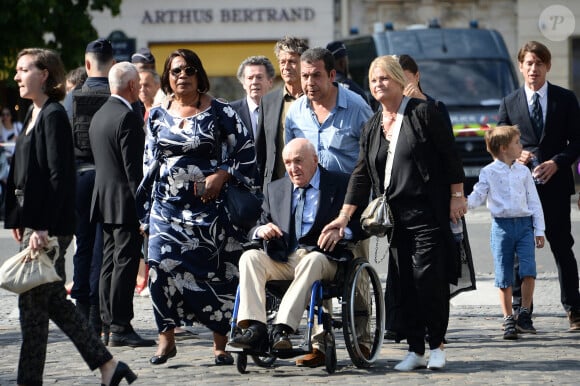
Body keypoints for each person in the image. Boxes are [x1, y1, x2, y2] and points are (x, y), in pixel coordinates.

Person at [322, 56, 465, 371]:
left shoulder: (423, 113)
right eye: (373, 79)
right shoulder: (372, 124)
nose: (377, 84)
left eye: (384, 78)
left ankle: (437, 344)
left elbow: (450, 156)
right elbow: (360, 175)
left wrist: (457, 195)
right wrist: (344, 216)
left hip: (428, 213)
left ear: (401, 80)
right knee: (406, 285)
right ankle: (415, 350)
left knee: (428, 278)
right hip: (395, 219)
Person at [4, 47, 137, 386]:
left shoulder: (52, 115)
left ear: (44, 73)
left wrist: (41, 226)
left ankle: (30, 380)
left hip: (47, 228)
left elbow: (57, 177)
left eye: (23, 70)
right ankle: (108, 366)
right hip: (35, 224)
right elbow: (24, 173)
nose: (17, 76)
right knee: (52, 305)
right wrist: (20, 218)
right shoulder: (33, 114)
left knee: (33, 311)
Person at [136, 48, 257, 366]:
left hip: (210, 210)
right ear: (167, 77)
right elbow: (150, 163)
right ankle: (166, 338)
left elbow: (246, 149)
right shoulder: (158, 116)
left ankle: (220, 343)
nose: (182, 76)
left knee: (215, 273)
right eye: (175, 71)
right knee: (159, 268)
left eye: (189, 70)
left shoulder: (221, 111)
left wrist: (224, 174)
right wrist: (145, 211)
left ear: (199, 75)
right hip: (167, 208)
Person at [230, 138, 365, 367]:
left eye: (298, 161)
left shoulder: (341, 184)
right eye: (288, 163)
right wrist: (262, 229)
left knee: (311, 260)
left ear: (315, 160)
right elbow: (258, 223)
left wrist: (343, 232)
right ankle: (255, 327)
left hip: (324, 257)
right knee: (249, 257)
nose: (293, 168)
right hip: (284, 257)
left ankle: (282, 328)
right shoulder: (276, 189)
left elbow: (362, 223)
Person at [498, 41, 580, 331]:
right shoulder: (510, 102)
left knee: (562, 248)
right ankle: (523, 313)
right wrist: (514, 153)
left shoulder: (565, 99)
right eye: (529, 63)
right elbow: (497, 143)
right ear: (521, 66)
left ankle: (574, 310)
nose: (534, 69)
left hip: (556, 186)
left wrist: (558, 162)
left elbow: (577, 141)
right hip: (520, 189)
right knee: (521, 253)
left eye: (539, 63)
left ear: (548, 66)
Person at [88, 61, 153, 348]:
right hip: (125, 202)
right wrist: (143, 211)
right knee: (125, 264)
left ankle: (106, 323)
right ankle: (120, 326)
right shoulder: (127, 118)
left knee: (108, 263)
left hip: (104, 200)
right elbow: (133, 171)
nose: (140, 88)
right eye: (138, 84)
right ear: (131, 86)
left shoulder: (100, 114)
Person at [467, 125, 545, 339]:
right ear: (503, 148)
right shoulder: (488, 172)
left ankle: (525, 314)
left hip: (524, 226)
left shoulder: (524, 172)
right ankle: (508, 317)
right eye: (517, 143)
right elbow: (477, 195)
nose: (521, 146)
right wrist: (460, 204)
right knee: (504, 274)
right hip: (501, 227)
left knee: (528, 270)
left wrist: (539, 229)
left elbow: (534, 201)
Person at [68, 38, 115, 342]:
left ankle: (83, 315)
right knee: (104, 249)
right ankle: (101, 317)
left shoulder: (71, 99)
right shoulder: (119, 96)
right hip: (109, 180)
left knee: (83, 245)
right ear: (112, 64)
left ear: (87, 64)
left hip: (79, 179)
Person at [285, 47, 373, 175]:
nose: (310, 83)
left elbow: (374, 156)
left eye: (316, 75)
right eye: (305, 76)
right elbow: (289, 159)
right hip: (308, 192)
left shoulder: (357, 108)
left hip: (348, 192)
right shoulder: (295, 112)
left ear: (331, 75)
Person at [256, 36, 308, 189]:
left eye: (292, 61)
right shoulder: (268, 102)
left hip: (312, 183)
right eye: (282, 62)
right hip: (277, 185)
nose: (286, 67)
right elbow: (261, 150)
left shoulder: (316, 99)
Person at [397, 54, 453, 134]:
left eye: (405, 80)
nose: (401, 86)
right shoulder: (387, 109)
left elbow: (446, 141)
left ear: (417, 76)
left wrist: (421, 99)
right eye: (396, 81)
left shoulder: (437, 107)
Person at [230, 55, 275, 140]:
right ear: (243, 83)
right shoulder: (231, 111)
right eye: (250, 78)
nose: (254, 82)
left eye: (259, 77)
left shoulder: (279, 109)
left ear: (270, 82)